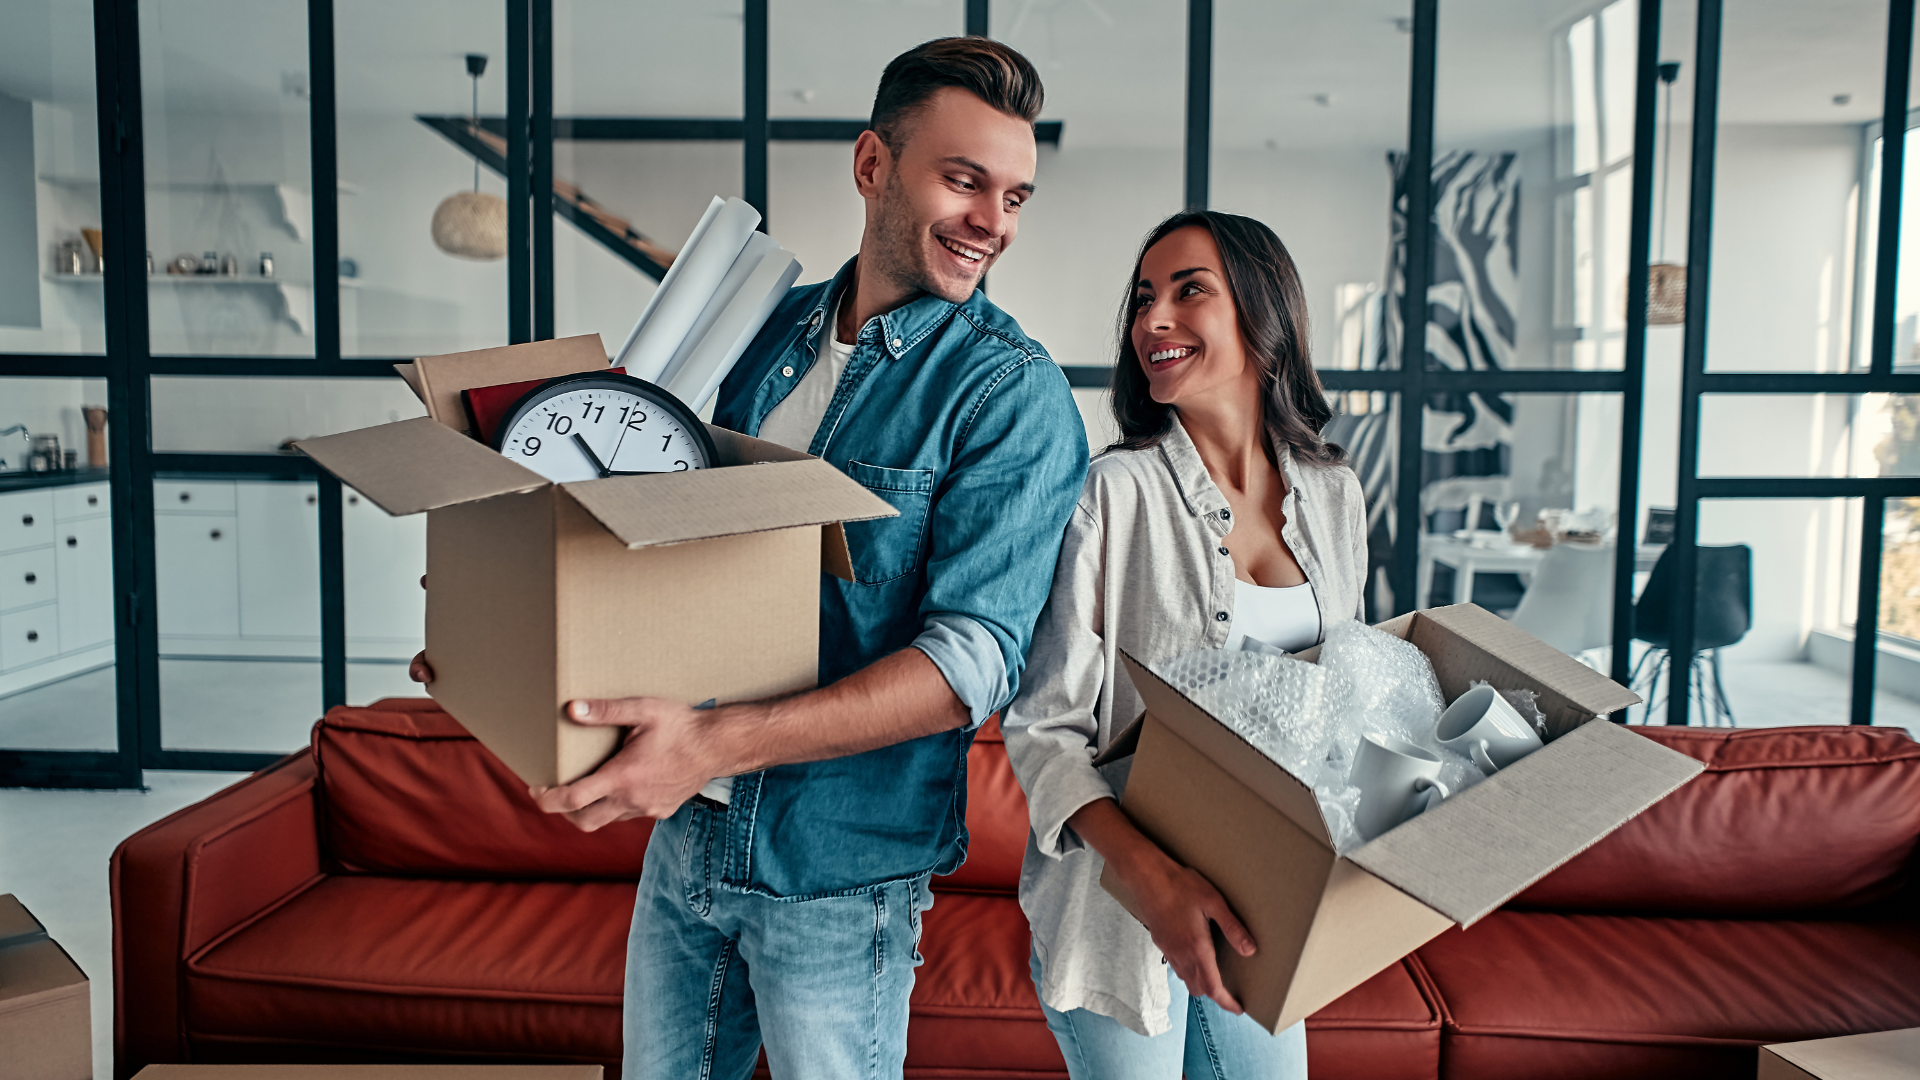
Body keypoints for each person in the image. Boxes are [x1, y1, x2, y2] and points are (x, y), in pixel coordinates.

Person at [409, 36, 1085, 1080]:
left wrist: (713, 745)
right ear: (872, 166)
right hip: (688, 839)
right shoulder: (764, 331)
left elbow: (970, 667)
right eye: (964, 180)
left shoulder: (1010, 395)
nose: (993, 221)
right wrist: (500, 618)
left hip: (841, 872)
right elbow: (649, 524)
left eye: (1015, 195)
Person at [1001, 210, 1368, 1079]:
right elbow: (1044, 729)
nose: (1152, 320)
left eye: (1187, 291)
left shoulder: (1336, 494)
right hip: (1121, 913)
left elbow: (1345, 698)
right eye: (1142, 300)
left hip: (1266, 909)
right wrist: (1157, 883)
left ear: (1263, 314)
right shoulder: (1112, 495)